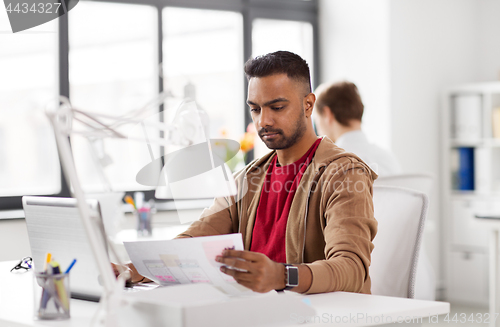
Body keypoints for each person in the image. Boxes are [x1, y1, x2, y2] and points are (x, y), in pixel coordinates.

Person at [119, 51, 378, 295]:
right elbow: (195, 238)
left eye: (277, 108)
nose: (263, 121)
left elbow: (351, 267)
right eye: (255, 109)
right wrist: (135, 269)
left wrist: (282, 276)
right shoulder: (246, 180)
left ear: (308, 105)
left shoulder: (344, 174)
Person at [314, 81, 402, 176]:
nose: (318, 131)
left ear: (327, 114)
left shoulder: (326, 165)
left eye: (316, 120)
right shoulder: (389, 160)